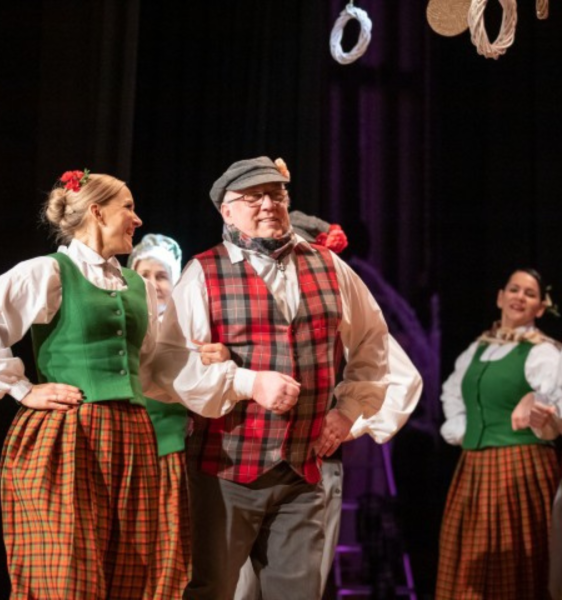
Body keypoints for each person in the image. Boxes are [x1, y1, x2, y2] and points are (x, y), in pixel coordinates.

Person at [153, 156, 390, 600]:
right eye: (253, 197)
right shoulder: (205, 271)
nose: (268, 205)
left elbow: (373, 339)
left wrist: (348, 410)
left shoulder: (328, 265)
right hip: (226, 469)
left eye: (276, 195)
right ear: (227, 211)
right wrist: (247, 383)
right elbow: (168, 364)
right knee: (214, 590)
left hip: (301, 471)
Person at [0, 170, 162, 599]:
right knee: (66, 574)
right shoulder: (49, 271)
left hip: (132, 436)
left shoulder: (138, 286)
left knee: (129, 572)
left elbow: (152, 362)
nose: (137, 219)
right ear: (97, 212)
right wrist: (22, 389)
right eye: (128, 207)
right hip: (70, 433)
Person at [233, 210, 423, 600]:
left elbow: (402, 377)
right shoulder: (245, 301)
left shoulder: (337, 306)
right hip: (246, 461)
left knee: (296, 588)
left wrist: (347, 422)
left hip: (314, 466)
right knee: (239, 588)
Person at [435, 268, 562, 600]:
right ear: (500, 297)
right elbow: (452, 393)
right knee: (468, 563)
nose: (520, 297)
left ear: (540, 308)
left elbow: (556, 401)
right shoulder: (478, 348)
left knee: (514, 563)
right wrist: (461, 429)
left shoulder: (543, 352)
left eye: (530, 294)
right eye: (514, 289)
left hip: (521, 464)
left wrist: (538, 408)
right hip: (473, 468)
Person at [128, 233, 228, 600]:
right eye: (144, 275)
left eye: (162, 276)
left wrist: (220, 358)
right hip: (127, 454)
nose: (152, 284)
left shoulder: (191, 332)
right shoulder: (124, 328)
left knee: (172, 557)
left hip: (173, 455)